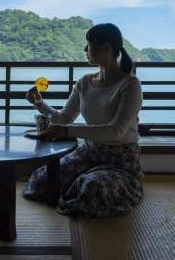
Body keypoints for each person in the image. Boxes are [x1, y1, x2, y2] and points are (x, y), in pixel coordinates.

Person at [22, 23, 144, 218]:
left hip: (120, 161)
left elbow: (116, 131)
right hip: (89, 153)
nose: (85, 49)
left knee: (93, 188)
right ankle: (77, 184)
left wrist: (68, 131)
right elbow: (64, 118)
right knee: (43, 178)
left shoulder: (130, 84)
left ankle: (85, 184)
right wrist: (39, 104)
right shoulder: (85, 82)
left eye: (89, 44)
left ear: (107, 48)